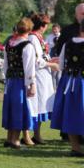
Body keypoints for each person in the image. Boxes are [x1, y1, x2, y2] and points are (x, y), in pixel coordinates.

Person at [50, 18, 84, 156]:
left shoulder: (67, 44)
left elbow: (61, 65)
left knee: (70, 113)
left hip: (68, 81)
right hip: (81, 82)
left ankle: (75, 148)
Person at [2, 18, 37, 149]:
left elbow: (5, 65)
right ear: (29, 29)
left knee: (11, 108)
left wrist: (6, 79)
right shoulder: (27, 46)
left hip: (10, 81)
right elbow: (29, 68)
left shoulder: (9, 44)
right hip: (20, 82)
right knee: (19, 109)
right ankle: (15, 140)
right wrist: (32, 84)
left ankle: (9, 138)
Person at [27, 13, 58, 144]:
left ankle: (37, 134)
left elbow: (43, 57)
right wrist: (52, 65)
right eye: (46, 25)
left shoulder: (38, 37)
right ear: (42, 25)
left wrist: (51, 60)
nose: (47, 27)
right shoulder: (33, 38)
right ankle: (29, 135)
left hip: (44, 76)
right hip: (38, 76)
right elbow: (37, 60)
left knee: (41, 106)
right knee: (35, 105)